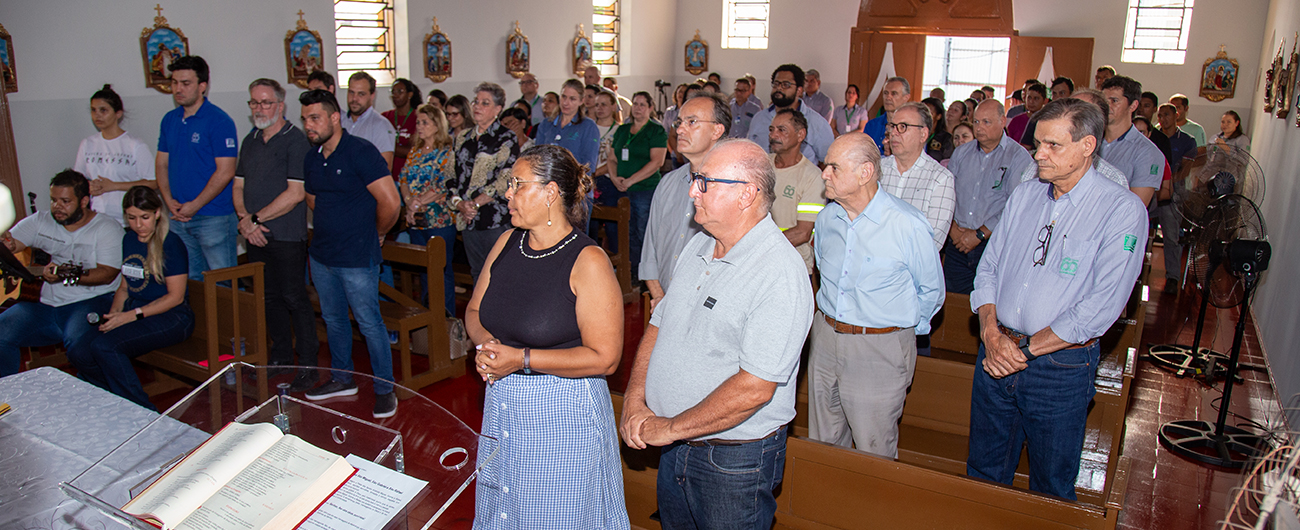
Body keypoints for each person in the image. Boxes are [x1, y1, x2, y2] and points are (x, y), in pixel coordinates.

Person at [620, 139, 813, 530]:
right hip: (676, 440)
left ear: (747, 194)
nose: (693, 191)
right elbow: (659, 325)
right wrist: (636, 401)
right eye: (696, 179)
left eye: (706, 182)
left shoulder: (779, 272)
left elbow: (754, 388)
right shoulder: (700, 244)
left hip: (732, 458)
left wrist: (669, 428)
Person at [967, 98, 1147, 500]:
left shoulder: (1121, 209)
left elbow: (1101, 306)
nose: (1038, 154)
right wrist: (991, 334)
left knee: (1051, 485)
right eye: (1037, 144)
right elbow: (989, 269)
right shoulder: (1025, 196)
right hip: (997, 351)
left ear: (1087, 146)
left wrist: (1024, 351)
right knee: (983, 474)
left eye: (1052, 145)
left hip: (1058, 364)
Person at [468, 145, 628, 529]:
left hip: (562, 412)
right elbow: (474, 311)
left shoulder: (587, 260)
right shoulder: (508, 242)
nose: (508, 193)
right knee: (504, 511)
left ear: (551, 192)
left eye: (518, 184)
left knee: (554, 517)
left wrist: (520, 358)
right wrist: (489, 348)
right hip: (502, 401)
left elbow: (605, 358)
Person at [809, 132, 944, 458]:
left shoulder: (906, 224)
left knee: (873, 450)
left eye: (834, 168)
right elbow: (822, 274)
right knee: (822, 443)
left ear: (865, 173)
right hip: (826, 339)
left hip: (878, 347)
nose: (824, 174)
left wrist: (898, 332)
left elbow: (931, 292)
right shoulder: (828, 217)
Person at [297, 89, 403, 418]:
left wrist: (378, 232)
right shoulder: (312, 156)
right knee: (333, 320)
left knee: (369, 322)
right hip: (323, 253)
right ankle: (343, 378)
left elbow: (391, 202)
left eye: (314, 118)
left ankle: (385, 388)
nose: (309, 125)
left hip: (357, 254)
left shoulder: (360, 152)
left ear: (334, 118)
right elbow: (312, 198)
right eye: (304, 119)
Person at [234, 78, 318, 389]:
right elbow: (238, 185)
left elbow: (295, 193)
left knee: (294, 298)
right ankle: (280, 356)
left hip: (285, 235)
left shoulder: (295, 141)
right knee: (268, 299)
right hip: (256, 235)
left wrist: (254, 218)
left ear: (280, 105)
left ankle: (308, 364)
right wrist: (246, 221)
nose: (259, 108)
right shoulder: (250, 140)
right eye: (254, 102)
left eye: (265, 102)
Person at [78, 186, 192, 410]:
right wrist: (114, 316)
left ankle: (141, 412)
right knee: (81, 351)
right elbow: (124, 288)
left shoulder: (171, 243)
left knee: (106, 347)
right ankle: (115, 398)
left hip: (172, 317)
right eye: (132, 218)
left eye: (144, 217)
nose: (138, 224)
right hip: (137, 310)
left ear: (157, 213)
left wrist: (130, 316)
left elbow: (176, 297)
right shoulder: (129, 239)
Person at [0, 170, 123, 377]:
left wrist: (64, 275)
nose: (57, 206)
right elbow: (12, 245)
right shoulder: (41, 220)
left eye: (65, 201)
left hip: (91, 301)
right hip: (47, 305)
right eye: (53, 200)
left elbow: (107, 274)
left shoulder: (106, 228)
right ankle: (8, 393)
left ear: (84, 201)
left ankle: (100, 393)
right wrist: (8, 245)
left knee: (80, 350)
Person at [641, 93, 729, 310]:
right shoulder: (668, 183)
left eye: (692, 122)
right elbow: (650, 247)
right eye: (679, 122)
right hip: (663, 302)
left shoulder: (731, 189)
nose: (679, 129)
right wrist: (660, 297)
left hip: (707, 309)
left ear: (717, 130)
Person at [154, 56, 238, 281]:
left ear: (202, 86)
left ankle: (228, 319)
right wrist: (168, 199)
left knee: (223, 281)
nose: (178, 89)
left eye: (185, 83)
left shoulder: (219, 121)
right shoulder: (169, 120)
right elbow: (162, 163)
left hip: (213, 217)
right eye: (174, 83)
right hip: (178, 215)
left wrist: (195, 205)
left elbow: (226, 171)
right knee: (191, 280)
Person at [944, 100, 1035, 295]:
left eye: (986, 122)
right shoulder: (961, 153)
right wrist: (952, 229)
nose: (979, 128)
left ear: (1002, 121)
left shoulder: (1018, 157)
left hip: (992, 245)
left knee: (989, 304)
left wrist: (979, 234)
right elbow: (946, 194)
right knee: (953, 308)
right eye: (976, 122)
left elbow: (1016, 205)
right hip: (957, 243)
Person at [454, 83, 522, 278]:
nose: (477, 107)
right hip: (468, 218)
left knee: (500, 272)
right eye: (476, 102)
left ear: (498, 109)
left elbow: (505, 179)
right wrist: (461, 205)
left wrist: (475, 203)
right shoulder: (462, 138)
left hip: (494, 217)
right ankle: (479, 310)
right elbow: (453, 176)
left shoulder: (505, 137)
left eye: (485, 103)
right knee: (477, 272)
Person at [400, 105, 459, 317]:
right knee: (424, 271)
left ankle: (447, 322)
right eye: (418, 122)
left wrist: (418, 203)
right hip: (416, 219)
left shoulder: (446, 151)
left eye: (425, 122)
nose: (420, 126)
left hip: (440, 220)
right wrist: (409, 202)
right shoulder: (415, 151)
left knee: (442, 273)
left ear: (437, 125)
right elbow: (404, 179)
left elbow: (443, 184)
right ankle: (429, 320)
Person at [606, 92, 668, 280]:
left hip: (645, 189)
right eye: (635, 104)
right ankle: (631, 272)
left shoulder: (656, 131)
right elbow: (612, 158)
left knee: (643, 232)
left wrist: (631, 180)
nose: (638, 108)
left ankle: (648, 275)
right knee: (626, 232)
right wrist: (615, 177)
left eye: (643, 105)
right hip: (622, 188)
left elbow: (657, 162)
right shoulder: (623, 130)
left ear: (650, 108)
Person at [75, 84, 156, 226]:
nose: (97, 115)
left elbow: (153, 182)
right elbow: (76, 181)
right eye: (93, 110)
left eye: (103, 110)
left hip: (127, 220)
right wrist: (88, 187)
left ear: (118, 114)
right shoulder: (87, 143)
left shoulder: (135, 145)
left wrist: (114, 186)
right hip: (97, 218)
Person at [879, 102, 955, 251]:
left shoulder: (941, 179)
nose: (894, 133)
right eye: (892, 126)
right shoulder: (877, 169)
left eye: (903, 127)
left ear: (923, 134)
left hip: (912, 270)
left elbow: (931, 243)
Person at [767, 108, 826, 276]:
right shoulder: (762, 165)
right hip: (762, 262)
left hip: (792, 264)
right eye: (771, 130)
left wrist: (761, 246)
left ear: (800, 135)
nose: (774, 135)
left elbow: (802, 232)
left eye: (781, 130)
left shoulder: (813, 177)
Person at [748, 64, 835, 165]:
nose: (779, 88)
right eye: (776, 84)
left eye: (786, 84)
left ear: (799, 90)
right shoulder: (759, 118)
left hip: (802, 179)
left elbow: (830, 161)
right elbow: (750, 153)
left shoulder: (815, 122)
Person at [1153, 103, 1197, 294]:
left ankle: (1172, 276)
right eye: (1160, 115)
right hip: (1152, 187)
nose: (1163, 119)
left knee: (1171, 235)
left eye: (1167, 115)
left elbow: (1185, 170)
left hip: (1174, 189)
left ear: (1176, 115)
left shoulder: (1187, 140)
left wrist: (1168, 184)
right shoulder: (1153, 136)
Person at [1101, 76, 1165, 205]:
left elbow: (1136, 206)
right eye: (1103, 101)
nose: (1107, 106)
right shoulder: (1089, 141)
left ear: (1133, 105)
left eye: (1114, 100)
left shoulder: (1147, 152)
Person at [343, 72, 397, 169]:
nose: (354, 99)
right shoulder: (339, 121)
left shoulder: (381, 125)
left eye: (361, 94)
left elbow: (384, 170)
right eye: (351, 92)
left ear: (372, 96)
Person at [382, 78, 421, 178]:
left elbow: (412, 151)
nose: (395, 95)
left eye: (400, 91)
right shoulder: (385, 117)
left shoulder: (418, 117)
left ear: (410, 94)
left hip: (410, 175)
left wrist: (386, 145)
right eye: (393, 91)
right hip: (388, 175)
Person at [863, 77, 912, 153]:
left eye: (894, 93)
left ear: (906, 98)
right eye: (886, 93)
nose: (888, 97)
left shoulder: (913, 127)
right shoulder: (872, 125)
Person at [922, 97, 954, 162]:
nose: (924, 117)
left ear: (938, 116)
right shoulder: (913, 134)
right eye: (921, 113)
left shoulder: (946, 138)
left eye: (929, 113)